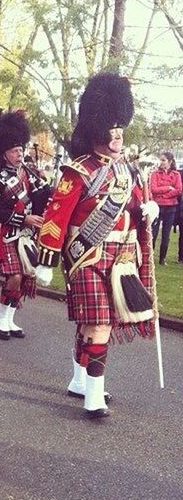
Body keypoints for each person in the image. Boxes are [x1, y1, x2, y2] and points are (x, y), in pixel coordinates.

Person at [35, 72, 160, 418]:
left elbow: (133, 209)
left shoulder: (128, 173)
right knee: (99, 322)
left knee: (92, 323)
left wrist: (147, 210)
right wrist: (46, 258)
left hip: (121, 258)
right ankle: (94, 395)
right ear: (97, 129)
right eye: (112, 127)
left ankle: (80, 380)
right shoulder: (77, 172)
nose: (118, 134)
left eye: (121, 127)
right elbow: (56, 215)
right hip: (86, 255)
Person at [0, 110, 51, 340]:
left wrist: (43, 190)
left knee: (25, 276)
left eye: (21, 150)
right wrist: (24, 219)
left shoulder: (28, 174)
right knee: (15, 277)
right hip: (9, 232)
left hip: (27, 234)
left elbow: (38, 200)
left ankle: (10, 317)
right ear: (4, 154)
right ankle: (1, 316)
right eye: (15, 151)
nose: (20, 155)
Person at [149, 151, 182, 265]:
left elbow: (178, 190)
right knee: (153, 233)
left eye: (163, 160)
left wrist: (163, 195)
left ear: (170, 161)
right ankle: (150, 257)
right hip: (157, 207)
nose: (161, 162)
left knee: (166, 235)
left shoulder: (176, 175)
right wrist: (168, 187)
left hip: (171, 207)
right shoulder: (155, 174)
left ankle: (162, 259)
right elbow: (153, 189)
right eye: (160, 160)